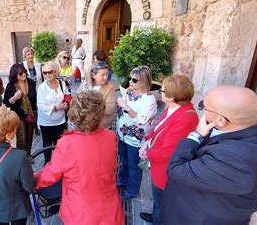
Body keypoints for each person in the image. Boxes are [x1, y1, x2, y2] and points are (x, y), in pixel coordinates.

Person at [161, 85, 257, 224]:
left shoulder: (236, 160)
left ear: (221, 120)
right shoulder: (252, 128)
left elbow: (176, 169)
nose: (202, 110)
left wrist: (196, 135)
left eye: (204, 106)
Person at [35, 90, 125, 224]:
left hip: (81, 213)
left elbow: (51, 174)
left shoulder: (67, 143)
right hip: (110, 208)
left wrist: (33, 179)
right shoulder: (110, 136)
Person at [137, 75, 198, 224]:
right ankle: (155, 213)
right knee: (158, 201)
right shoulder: (173, 107)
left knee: (162, 205)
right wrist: (147, 141)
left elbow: (167, 152)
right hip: (158, 165)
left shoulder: (186, 119)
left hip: (165, 171)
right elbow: (159, 127)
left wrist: (147, 153)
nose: (159, 92)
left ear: (171, 96)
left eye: (162, 90)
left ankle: (158, 218)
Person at [115, 65, 157, 200]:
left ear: (144, 82)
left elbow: (142, 120)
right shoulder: (129, 92)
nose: (130, 82)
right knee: (123, 160)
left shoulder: (149, 100)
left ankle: (132, 190)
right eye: (130, 79)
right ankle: (122, 181)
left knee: (134, 166)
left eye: (134, 80)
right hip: (123, 135)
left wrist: (126, 107)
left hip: (136, 140)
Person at [36, 61, 68, 163]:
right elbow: (41, 106)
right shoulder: (42, 88)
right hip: (46, 123)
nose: (47, 74)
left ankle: (59, 165)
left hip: (61, 121)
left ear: (55, 72)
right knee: (47, 146)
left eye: (50, 72)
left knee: (60, 145)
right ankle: (48, 165)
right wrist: (56, 108)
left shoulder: (62, 84)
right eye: (44, 73)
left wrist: (67, 103)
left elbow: (67, 95)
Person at [3, 63, 37, 154]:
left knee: (30, 137)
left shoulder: (31, 82)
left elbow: (35, 98)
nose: (24, 74)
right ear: (15, 75)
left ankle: (28, 154)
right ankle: (22, 156)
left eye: (25, 72)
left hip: (30, 114)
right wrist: (14, 97)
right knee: (22, 139)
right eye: (21, 73)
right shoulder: (11, 86)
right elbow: (6, 103)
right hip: (18, 116)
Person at [77, 61, 116, 129]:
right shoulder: (85, 84)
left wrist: (89, 103)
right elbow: (76, 100)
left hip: (101, 126)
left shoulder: (110, 88)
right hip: (84, 125)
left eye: (107, 74)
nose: (106, 77)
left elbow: (110, 109)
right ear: (93, 75)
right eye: (103, 75)